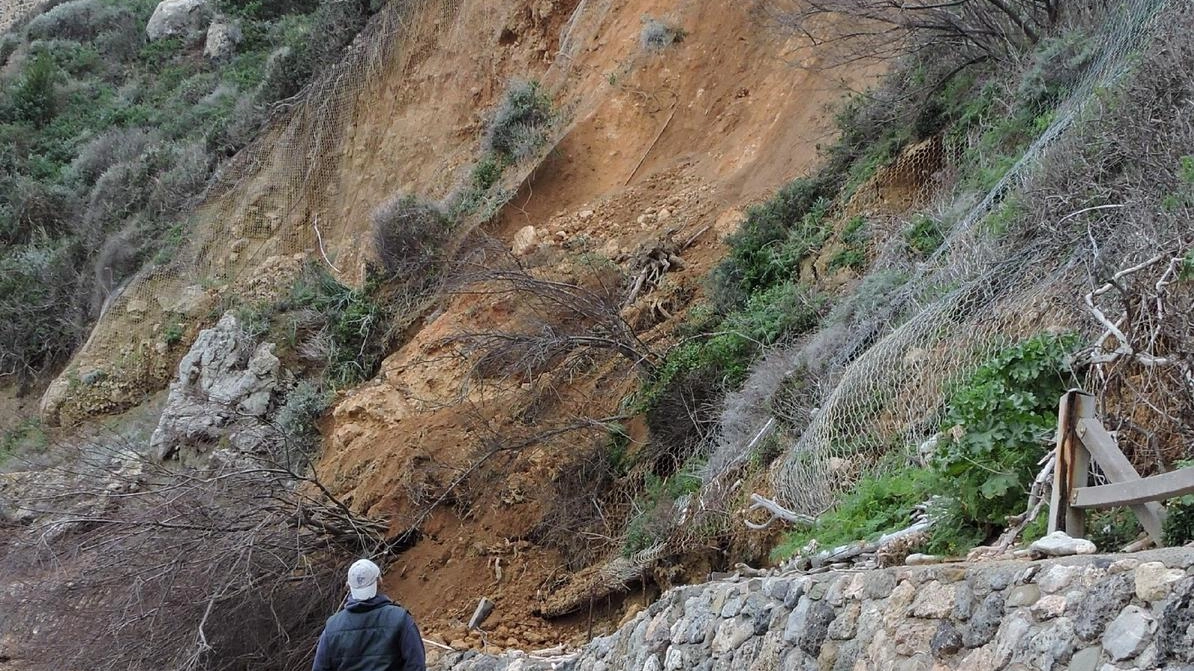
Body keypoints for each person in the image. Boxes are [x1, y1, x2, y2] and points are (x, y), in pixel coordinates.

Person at [312, 558, 426, 671]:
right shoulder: (400, 619)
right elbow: (416, 665)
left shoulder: (332, 626)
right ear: (379, 582)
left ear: (349, 586)